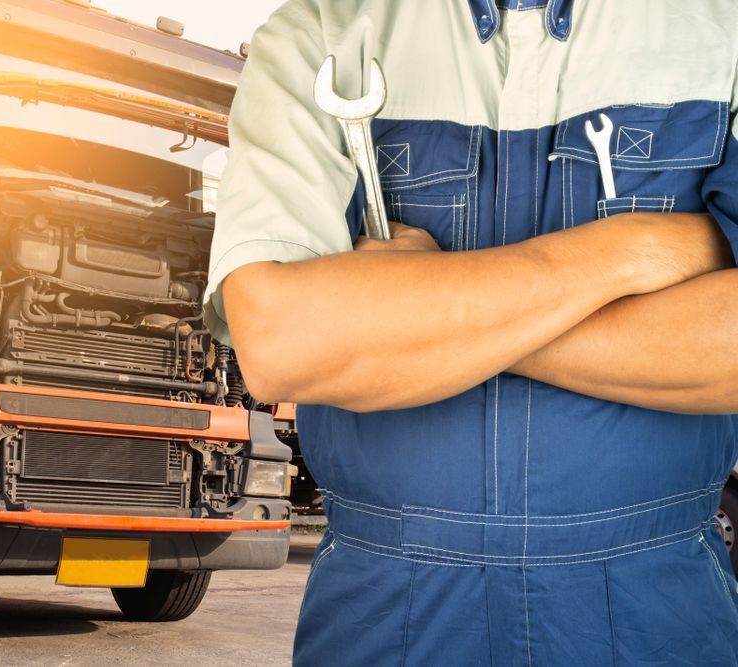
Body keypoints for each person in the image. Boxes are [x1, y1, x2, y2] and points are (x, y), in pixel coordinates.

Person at [202, 1, 738, 664]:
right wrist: (632, 250)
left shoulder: (723, 33)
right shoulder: (320, 31)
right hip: (384, 612)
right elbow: (281, 342)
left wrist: (428, 317)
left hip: (659, 610)